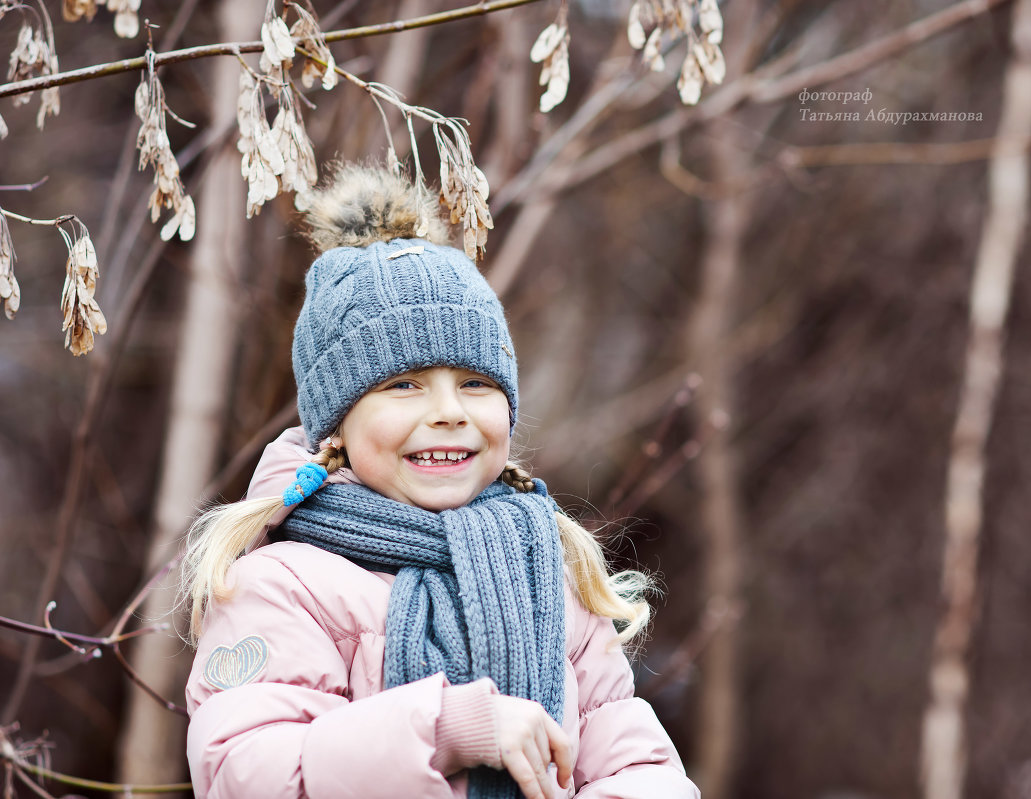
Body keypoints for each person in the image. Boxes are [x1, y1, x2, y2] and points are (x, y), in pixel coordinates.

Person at [182, 164, 699, 799]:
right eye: (404, 386)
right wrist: (446, 729)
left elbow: (638, 768)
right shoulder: (283, 585)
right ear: (336, 426)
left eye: (475, 384)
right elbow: (246, 775)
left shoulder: (547, 575)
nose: (450, 411)